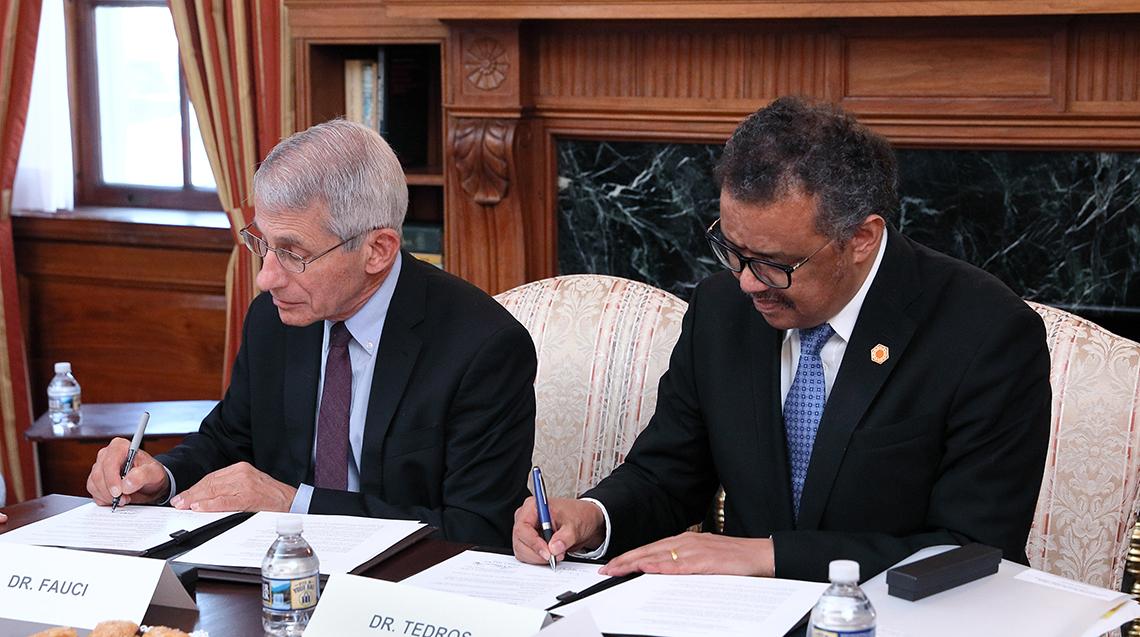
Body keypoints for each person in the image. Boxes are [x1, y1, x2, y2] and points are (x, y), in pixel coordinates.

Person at [513, 96, 1051, 581]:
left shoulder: (985, 334)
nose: (746, 282)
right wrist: (592, 517)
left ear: (861, 238)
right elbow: (668, 474)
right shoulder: (722, 308)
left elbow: (976, 548)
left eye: (773, 264)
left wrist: (768, 555)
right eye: (732, 250)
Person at [87, 120, 537, 547]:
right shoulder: (275, 318)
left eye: (292, 253)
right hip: (271, 572)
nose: (267, 278)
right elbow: (229, 440)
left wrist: (296, 505)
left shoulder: (483, 347)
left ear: (377, 250)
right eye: (262, 244)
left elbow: (478, 527)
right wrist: (162, 477)